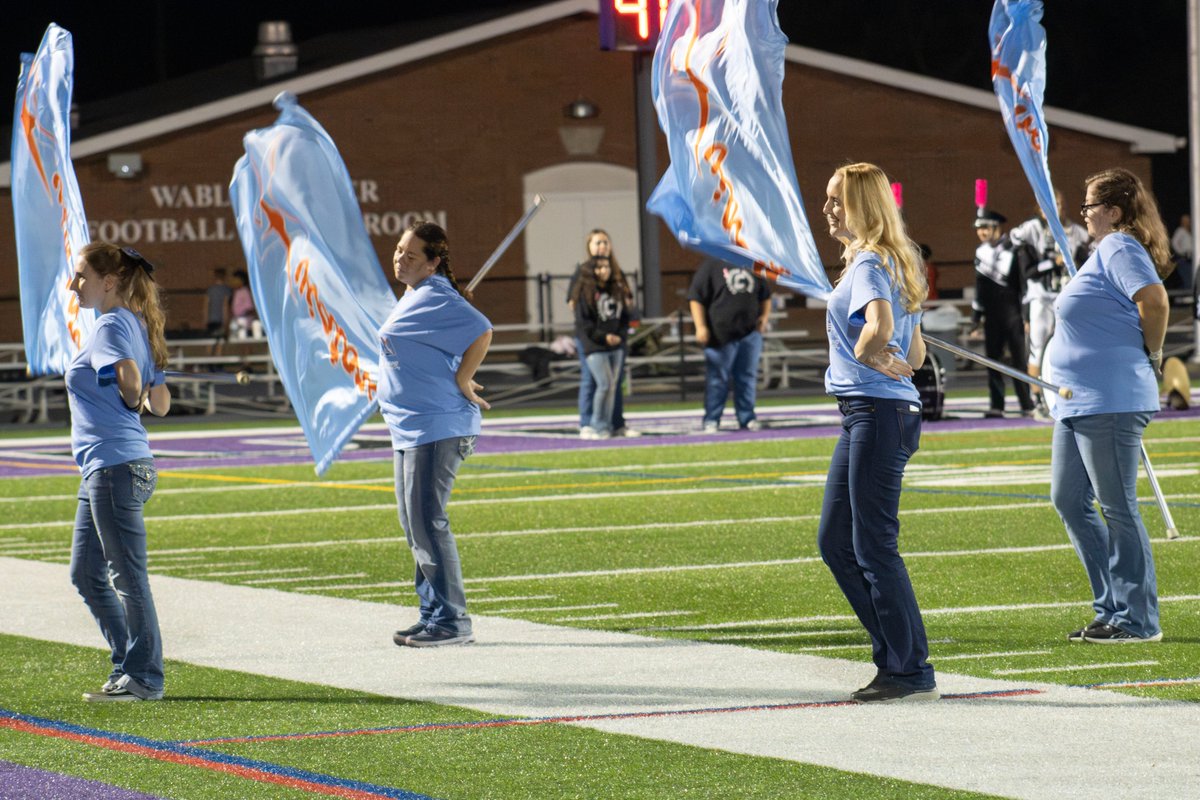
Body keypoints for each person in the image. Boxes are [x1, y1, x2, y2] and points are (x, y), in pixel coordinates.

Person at [816, 162, 937, 702]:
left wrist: (868, 351)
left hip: (876, 411)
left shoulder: (869, 260)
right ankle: (898, 656)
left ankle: (909, 669)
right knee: (837, 541)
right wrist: (885, 351)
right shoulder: (894, 258)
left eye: (837, 201)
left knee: (870, 545)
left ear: (864, 205)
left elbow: (883, 332)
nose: (829, 210)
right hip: (878, 411)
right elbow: (915, 351)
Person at [1050, 167, 1171, 643]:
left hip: (1111, 397)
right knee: (1068, 499)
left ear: (1113, 212)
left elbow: (1154, 301)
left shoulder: (1119, 245)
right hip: (1076, 400)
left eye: (1089, 207)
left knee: (1117, 507)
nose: (1084, 215)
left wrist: (1154, 353)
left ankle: (1138, 620)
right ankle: (1112, 607)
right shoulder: (1101, 253)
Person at [66, 242, 171, 701]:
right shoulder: (135, 324)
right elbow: (161, 405)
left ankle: (144, 676)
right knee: (86, 573)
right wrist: (142, 387)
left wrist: (132, 389)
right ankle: (128, 666)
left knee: (127, 577)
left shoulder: (111, 325)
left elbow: (133, 390)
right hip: (113, 466)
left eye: (81, 276)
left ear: (109, 281)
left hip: (114, 467)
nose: (74, 285)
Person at [381, 222, 493, 648]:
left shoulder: (437, 294)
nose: (400, 259)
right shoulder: (414, 295)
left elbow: (481, 327)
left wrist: (465, 377)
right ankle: (432, 611)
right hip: (409, 425)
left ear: (433, 263)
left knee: (428, 521)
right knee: (415, 525)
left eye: (412, 255)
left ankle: (452, 621)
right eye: (398, 250)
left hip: (437, 424)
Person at [1010, 190, 1091, 420]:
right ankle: (1037, 401)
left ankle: (1071, 394)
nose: (1057, 207)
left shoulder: (1075, 231)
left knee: (1072, 346)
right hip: (1041, 297)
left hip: (1066, 297)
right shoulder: (1032, 229)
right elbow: (1015, 239)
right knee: (1036, 347)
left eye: (1060, 202)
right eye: (1051, 203)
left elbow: (1089, 249)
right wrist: (1049, 262)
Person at [567, 230, 639, 438]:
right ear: (589, 246)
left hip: (615, 336)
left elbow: (628, 303)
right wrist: (597, 332)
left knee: (614, 383)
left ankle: (615, 424)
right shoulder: (582, 273)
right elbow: (574, 304)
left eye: (605, 242)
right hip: (591, 337)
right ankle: (588, 423)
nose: (602, 246)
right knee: (593, 380)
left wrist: (619, 331)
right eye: (598, 242)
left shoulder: (617, 273)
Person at [687, 257, 770, 432]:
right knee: (717, 380)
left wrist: (763, 318)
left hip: (749, 333)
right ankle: (712, 419)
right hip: (720, 334)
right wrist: (700, 326)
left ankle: (747, 417)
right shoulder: (712, 264)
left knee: (746, 378)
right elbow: (696, 297)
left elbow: (765, 295)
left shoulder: (753, 263)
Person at [970, 208, 1036, 418]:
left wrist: (1026, 315)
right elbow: (979, 288)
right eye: (979, 229)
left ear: (996, 227)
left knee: (1019, 361)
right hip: (992, 315)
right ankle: (996, 405)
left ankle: (1027, 404)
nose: (981, 232)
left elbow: (1024, 285)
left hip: (1013, 313)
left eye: (985, 228)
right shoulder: (980, 252)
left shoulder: (1014, 249)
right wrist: (975, 319)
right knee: (993, 361)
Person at [229, 269, 259, 338]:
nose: (233, 282)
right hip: (237, 323)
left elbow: (250, 308)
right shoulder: (236, 292)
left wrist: (241, 314)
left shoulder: (244, 291)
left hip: (245, 324)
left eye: (235, 280)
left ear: (241, 280)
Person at [203, 267, 232, 338]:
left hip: (211, 319)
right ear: (224, 276)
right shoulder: (226, 289)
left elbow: (205, 306)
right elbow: (225, 306)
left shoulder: (210, 290)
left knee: (209, 341)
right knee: (220, 342)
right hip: (221, 320)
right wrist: (226, 322)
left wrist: (205, 320)